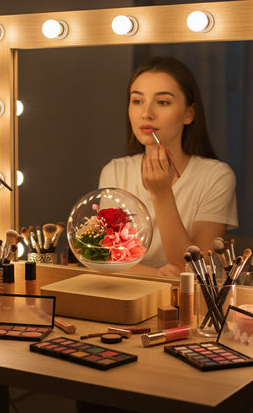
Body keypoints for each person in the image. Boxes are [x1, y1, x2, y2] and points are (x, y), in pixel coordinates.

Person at [99, 56, 238, 276]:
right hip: (125, 296)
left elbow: (194, 270)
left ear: (188, 114)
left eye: (162, 102)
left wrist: (162, 193)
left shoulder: (216, 176)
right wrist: (155, 275)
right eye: (137, 101)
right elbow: (108, 259)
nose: (146, 113)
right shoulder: (115, 172)